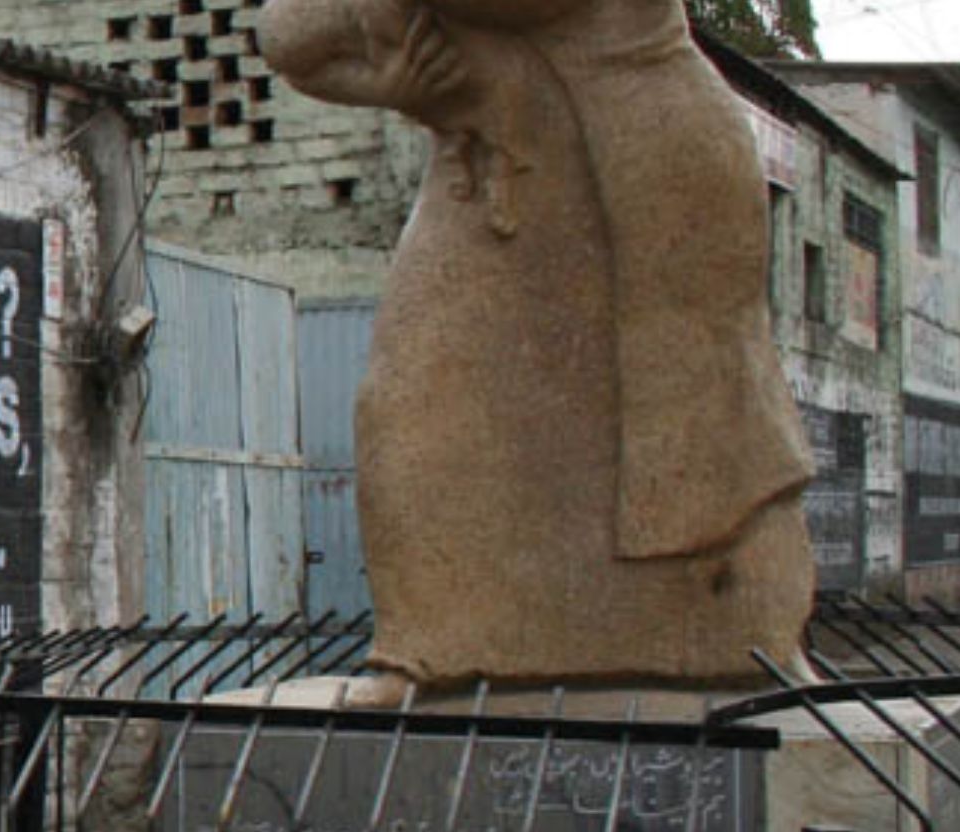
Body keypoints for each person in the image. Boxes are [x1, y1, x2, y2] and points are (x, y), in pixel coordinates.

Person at [260, 0, 816, 689]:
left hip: (647, 163)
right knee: (415, 400)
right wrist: (392, 89)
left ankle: (742, 637)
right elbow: (287, 34)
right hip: (490, 169)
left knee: (692, 427)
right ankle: (432, 645)